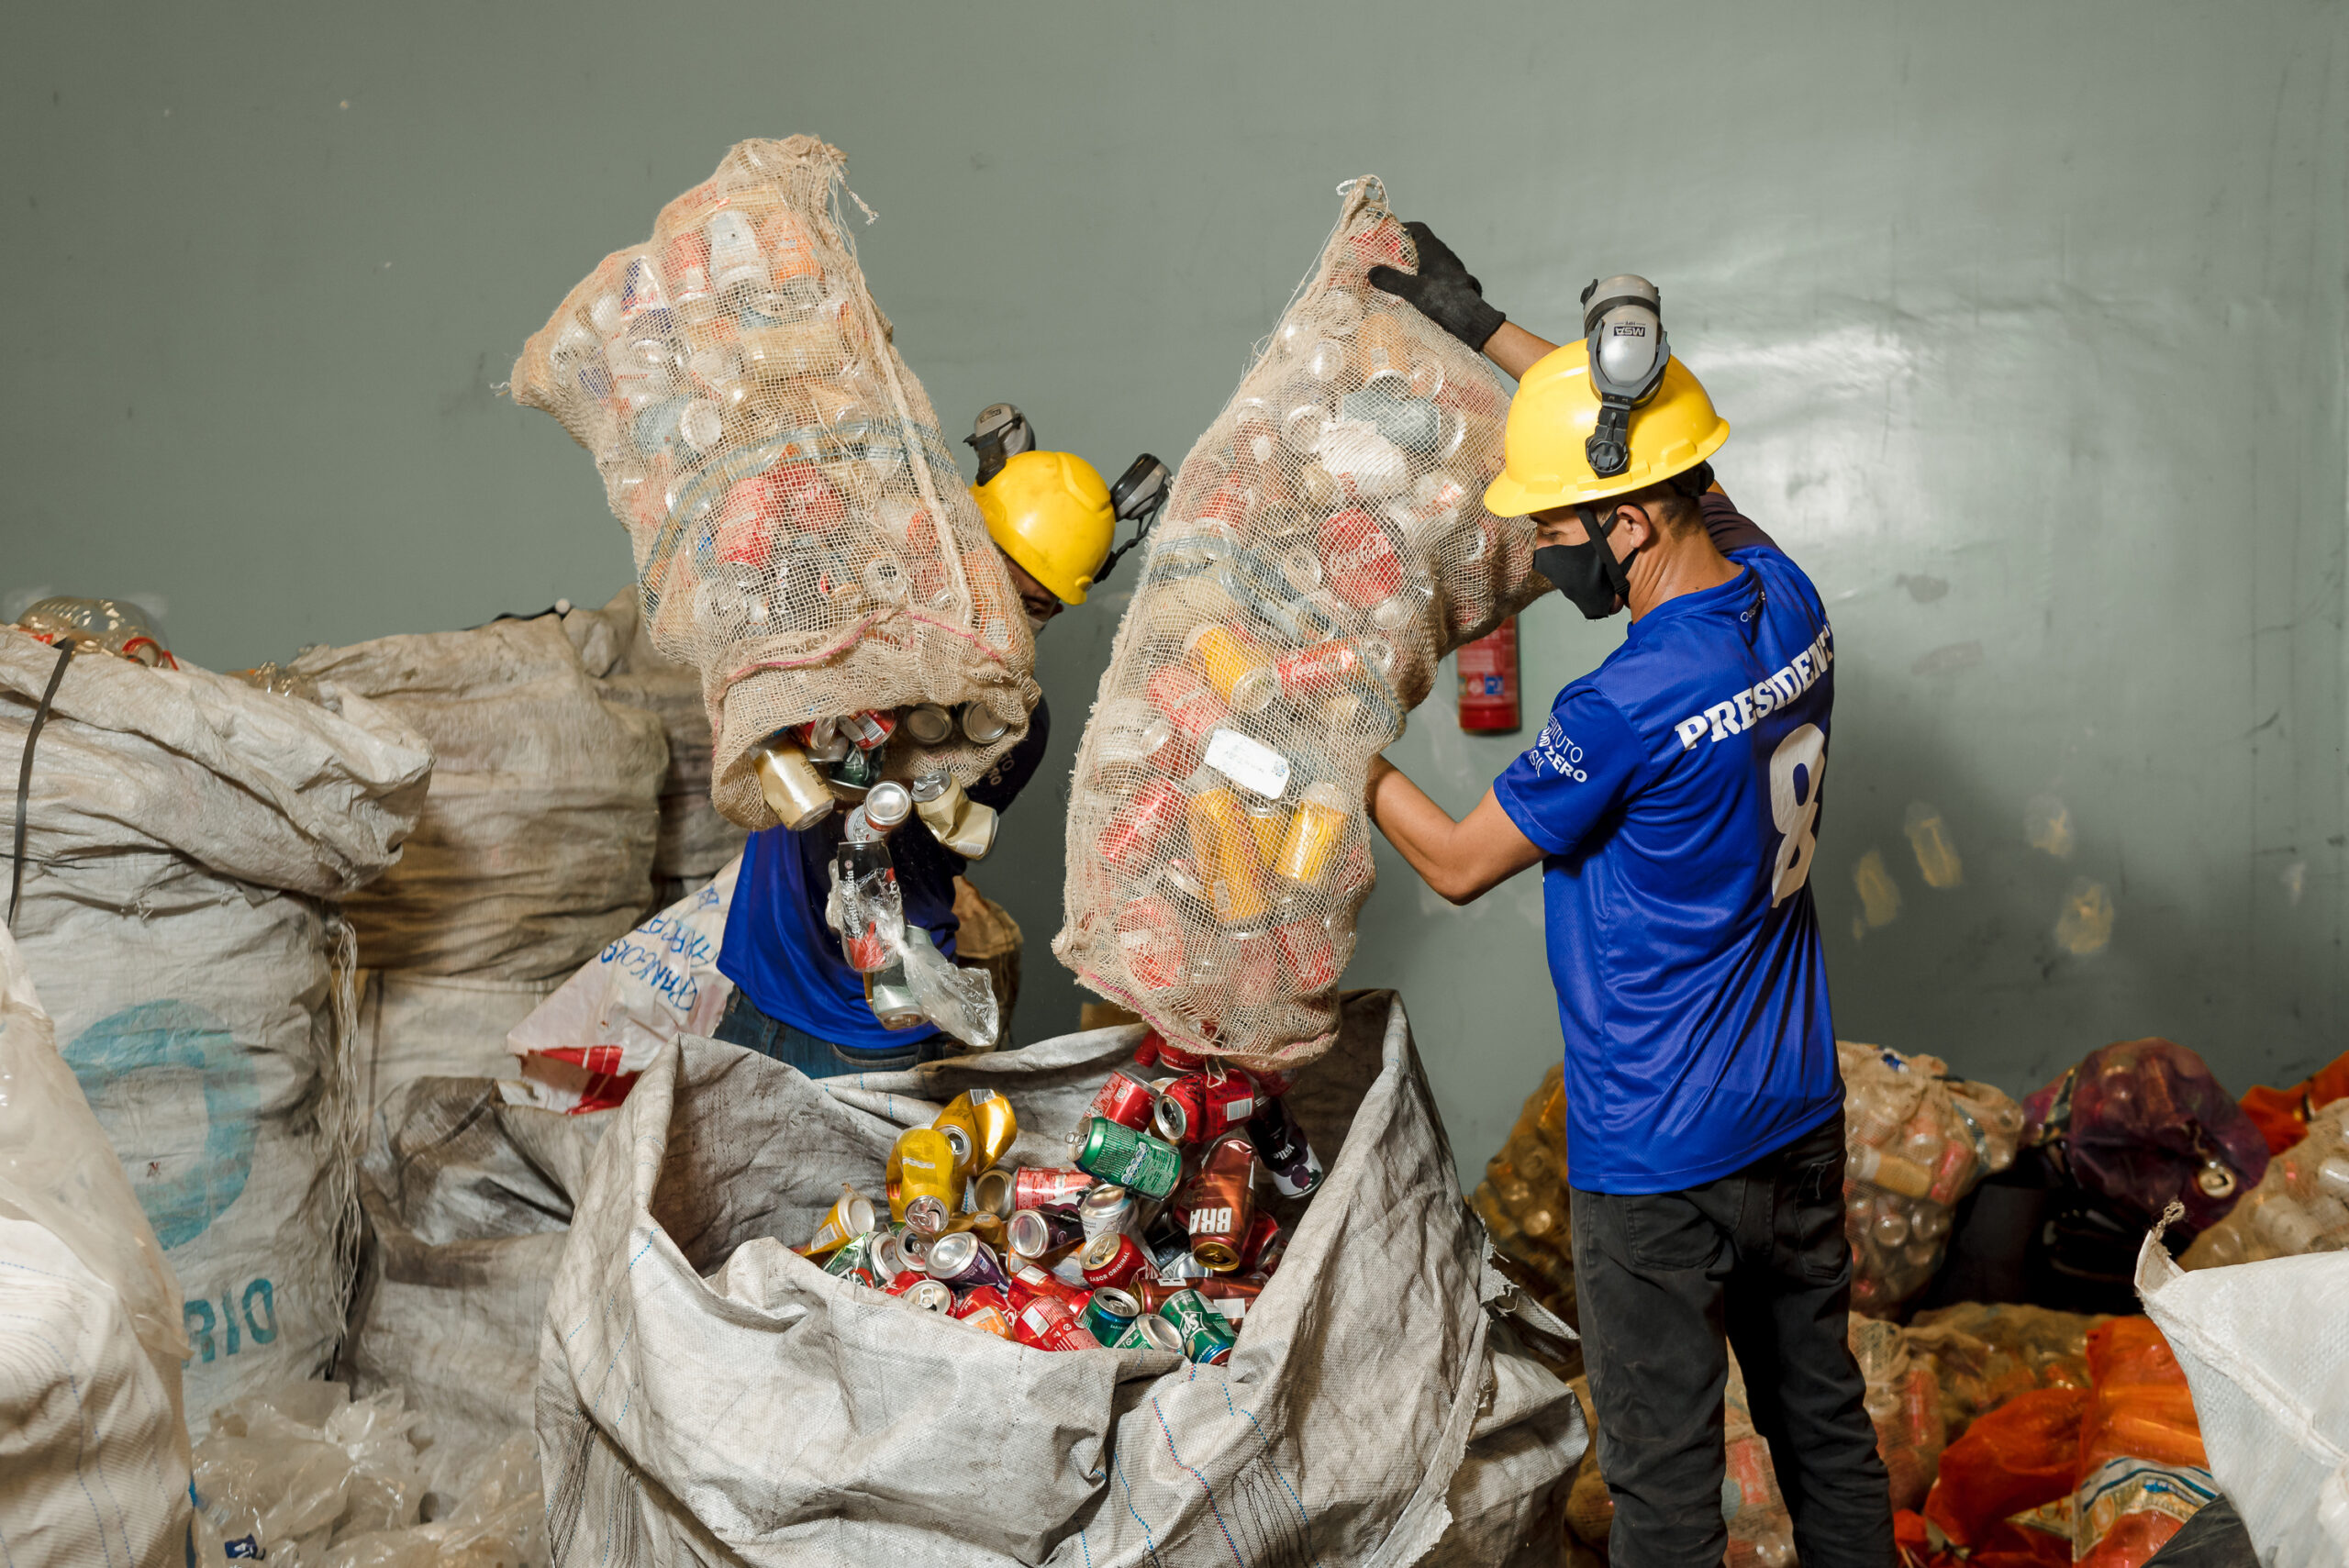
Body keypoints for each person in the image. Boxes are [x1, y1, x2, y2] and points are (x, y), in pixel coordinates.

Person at [1365, 229, 1892, 1568]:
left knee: (1661, 1497)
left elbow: (1456, 858)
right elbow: (1652, 441)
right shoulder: (1790, 599)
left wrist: (1335, 744)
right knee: (1824, 1431)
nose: (1544, 551)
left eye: (1556, 527)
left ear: (1631, 521)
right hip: (1795, 1116)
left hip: (1660, 1151)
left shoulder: (1621, 703)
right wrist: (1481, 325)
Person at [715, 407, 1155, 1079]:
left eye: (1031, 606)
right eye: (996, 579)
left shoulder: (1014, 727)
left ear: (1055, 614)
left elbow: (878, 817)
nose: (1001, 614)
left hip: (868, 1032)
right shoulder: (856, 616)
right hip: (753, 991)